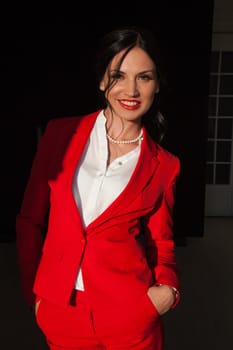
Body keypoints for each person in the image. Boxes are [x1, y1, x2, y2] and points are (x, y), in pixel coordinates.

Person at [16, 25, 181, 350]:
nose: (131, 90)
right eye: (118, 75)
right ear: (102, 80)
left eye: (144, 77)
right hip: (61, 311)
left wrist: (167, 291)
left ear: (157, 84)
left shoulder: (165, 165)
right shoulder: (60, 135)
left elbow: (162, 241)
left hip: (131, 316)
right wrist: (35, 297)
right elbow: (30, 222)